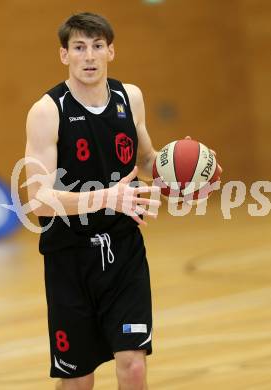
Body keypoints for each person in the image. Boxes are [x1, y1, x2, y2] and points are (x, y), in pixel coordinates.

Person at [25, 12, 222, 390]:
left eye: (97, 46)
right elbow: (39, 201)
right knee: (79, 380)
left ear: (111, 51)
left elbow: (147, 160)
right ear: (64, 55)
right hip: (70, 259)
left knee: (132, 364)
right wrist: (107, 197)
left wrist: (190, 172)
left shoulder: (129, 97)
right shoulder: (47, 112)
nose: (89, 56)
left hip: (124, 252)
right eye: (79, 47)